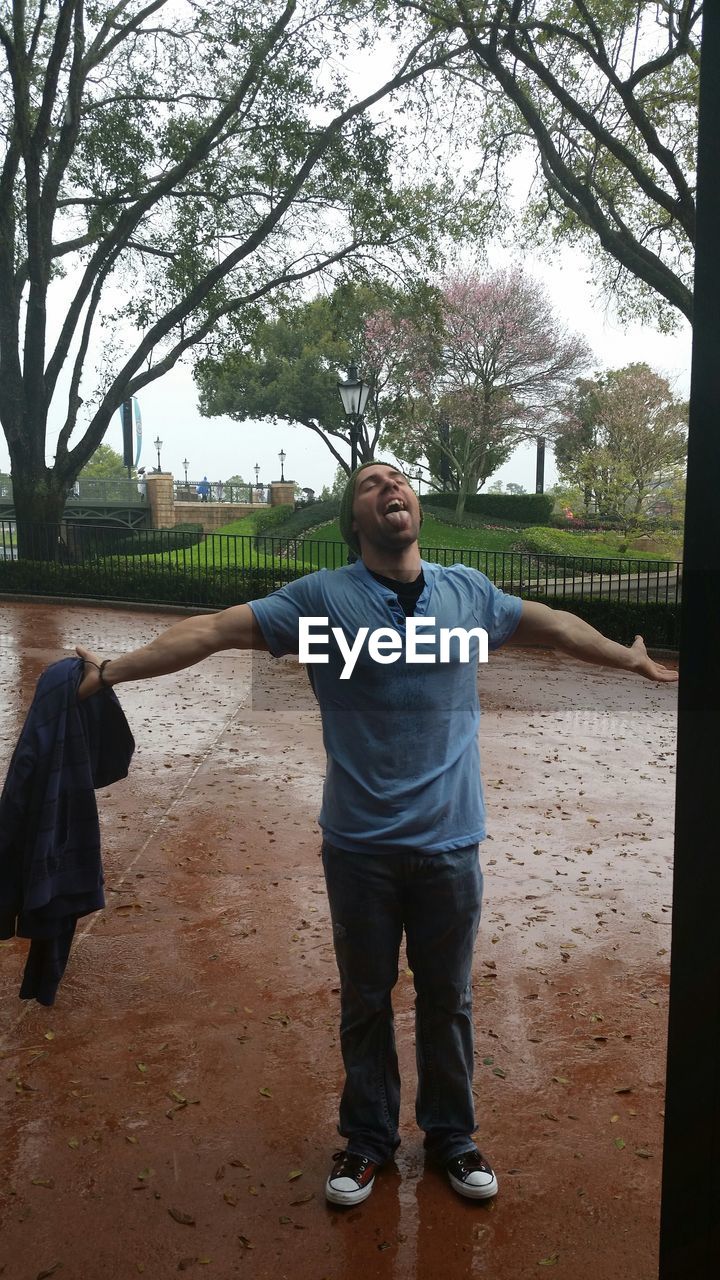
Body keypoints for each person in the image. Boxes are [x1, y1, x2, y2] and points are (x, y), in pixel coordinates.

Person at [76, 461, 677, 1208]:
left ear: (413, 504)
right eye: (369, 483)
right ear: (354, 521)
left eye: (398, 478)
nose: (390, 486)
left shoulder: (468, 592)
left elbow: (553, 626)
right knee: (365, 997)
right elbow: (213, 630)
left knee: (447, 998)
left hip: (451, 842)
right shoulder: (321, 599)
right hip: (359, 846)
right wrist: (117, 669)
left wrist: (627, 656)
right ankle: (366, 1142)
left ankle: (453, 1137)